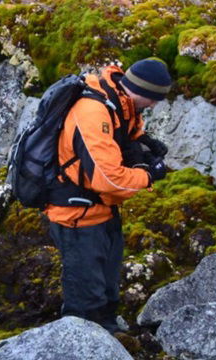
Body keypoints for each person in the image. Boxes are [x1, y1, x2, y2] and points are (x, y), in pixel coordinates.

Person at [44, 57, 172, 333]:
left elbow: (127, 135)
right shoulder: (93, 111)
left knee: (107, 291)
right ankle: (78, 343)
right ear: (143, 91)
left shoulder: (121, 103)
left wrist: (142, 146)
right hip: (76, 215)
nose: (154, 105)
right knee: (85, 300)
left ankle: (109, 334)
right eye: (153, 99)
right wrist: (148, 176)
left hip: (102, 211)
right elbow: (108, 179)